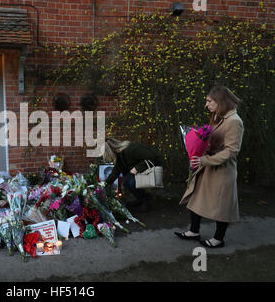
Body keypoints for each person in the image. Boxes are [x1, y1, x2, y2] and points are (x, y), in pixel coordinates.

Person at [175, 85, 244, 248]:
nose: (206, 105)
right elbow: (210, 141)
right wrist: (198, 148)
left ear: (220, 101)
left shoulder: (235, 121)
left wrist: (204, 160)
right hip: (208, 167)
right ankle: (194, 231)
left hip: (222, 171)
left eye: (209, 101)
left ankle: (218, 239)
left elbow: (231, 151)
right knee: (196, 197)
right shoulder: (218, 117)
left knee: (222, 206)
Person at [102, 137, 164, 212]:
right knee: (127, 180)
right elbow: (116, 170)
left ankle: (147, 201)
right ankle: (141, 199)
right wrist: (105, 184)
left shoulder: (133, 149)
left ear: (111, 151)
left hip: (152, 166)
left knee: (131, 182)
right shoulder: (120, 155)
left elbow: (152, 157)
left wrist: (137, 168)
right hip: (140, 169)